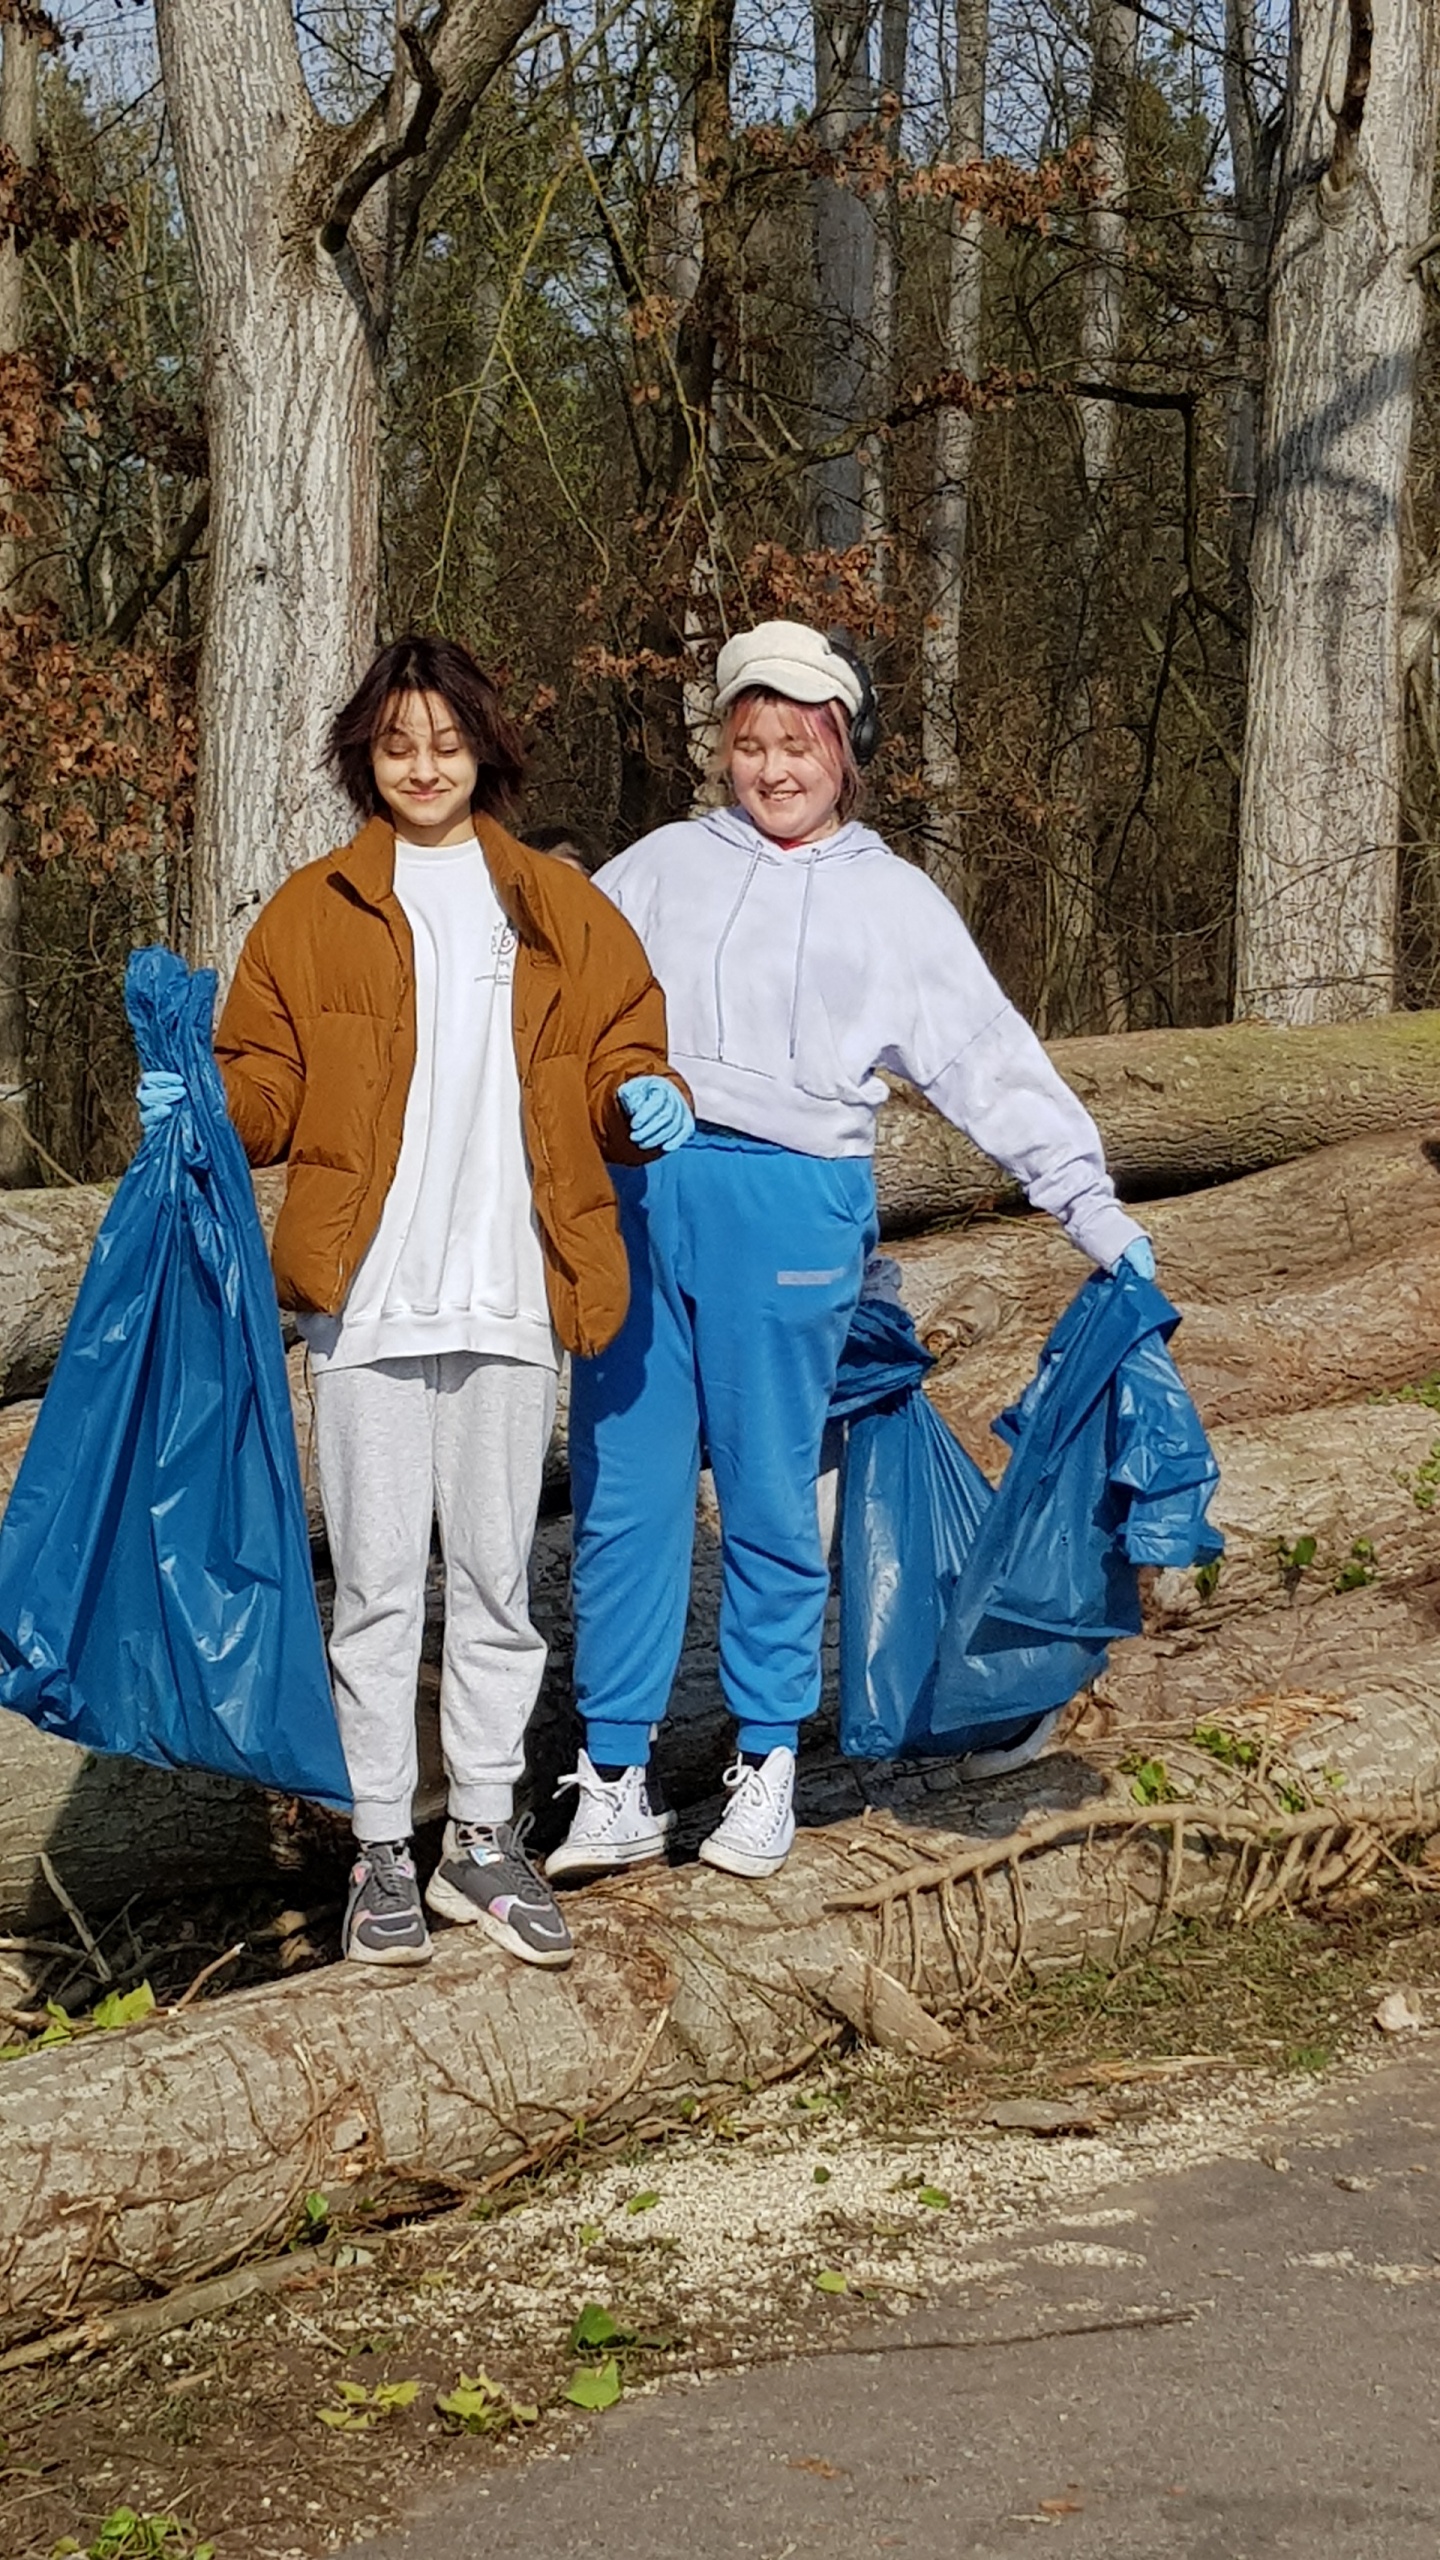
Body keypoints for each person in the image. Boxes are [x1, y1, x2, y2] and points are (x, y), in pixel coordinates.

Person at [548, 619, 1154, 1886]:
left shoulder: (892, 901)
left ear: (847, 750)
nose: (774, 769)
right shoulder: (655, 867)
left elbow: (990, 1062)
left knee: (773, 1491)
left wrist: (1093, 1209)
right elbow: (551, 1005)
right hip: (642, 1196)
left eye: (801, 745)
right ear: (723, 747)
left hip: (794, 1204)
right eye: (752, 742)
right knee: (627, 1489)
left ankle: (763, 1760)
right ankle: (614, 1777)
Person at [139, 636, 693, 1968]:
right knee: (380, 1591)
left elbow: (628, 1033)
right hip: (368, 1302)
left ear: (484, 748)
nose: (425, 764)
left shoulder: (553, 903)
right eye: (398, 744)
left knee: (498, 1584)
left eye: (445, 740)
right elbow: (264, 1081)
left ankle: (484, 1847)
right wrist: (209, 1107)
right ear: (365, 759)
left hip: (510, 1290)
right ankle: (382, 1851)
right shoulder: (314, 908)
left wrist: (640, 1097)